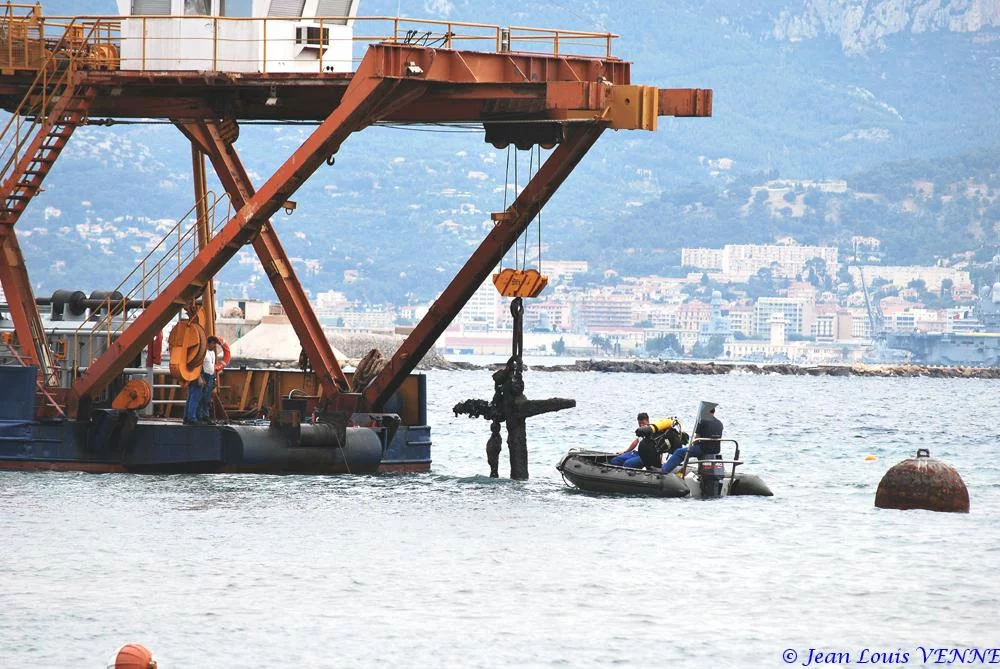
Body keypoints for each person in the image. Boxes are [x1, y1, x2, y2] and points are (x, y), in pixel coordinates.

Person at [662, 406, 723, 474]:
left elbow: (697, 437)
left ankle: (664, 470)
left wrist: (692, 446)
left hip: (703, 449)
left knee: (679, 452)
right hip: (716, 450)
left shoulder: (703, 420)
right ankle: (700, 471)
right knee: (692, 450)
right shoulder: (719, 423)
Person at [197, 336, 220, 424]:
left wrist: (214, 377)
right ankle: (200, 416)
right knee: (202, 397)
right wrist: (201, 377)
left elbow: (212, 365)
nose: (214, 346)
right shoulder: (203, 353)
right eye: (213, 343)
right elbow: (200, 365)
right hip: (205, 375)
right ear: (209, 343)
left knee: (207, 397)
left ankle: (205, 416)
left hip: (211, 376)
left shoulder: (213, 353)